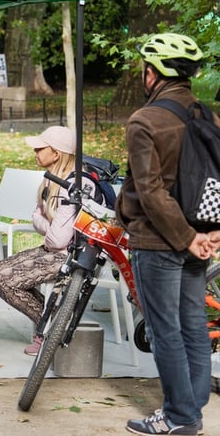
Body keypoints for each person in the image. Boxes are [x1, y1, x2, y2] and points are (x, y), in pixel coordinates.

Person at [115, 33, 220, 435]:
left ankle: (180, 417)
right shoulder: (208, 117)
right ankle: (192, 408)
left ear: (152, 73)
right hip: (199, 237)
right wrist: (210, 234)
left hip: (159, 240)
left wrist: (186, 237)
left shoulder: (145, 121)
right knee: (193, 324)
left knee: (165, 331)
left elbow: (150, 191)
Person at [0, 125, 92, 355]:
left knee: (5, 281)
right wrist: (46, 223)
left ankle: (49, 330)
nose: (35, 152)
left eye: (40, 148)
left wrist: (42, 222)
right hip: (55, 250)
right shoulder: (51, 180)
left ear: (56, 153)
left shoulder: (74, 185)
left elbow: (56, 239)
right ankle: (54, 320)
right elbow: (39, 219)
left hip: (73, 256)